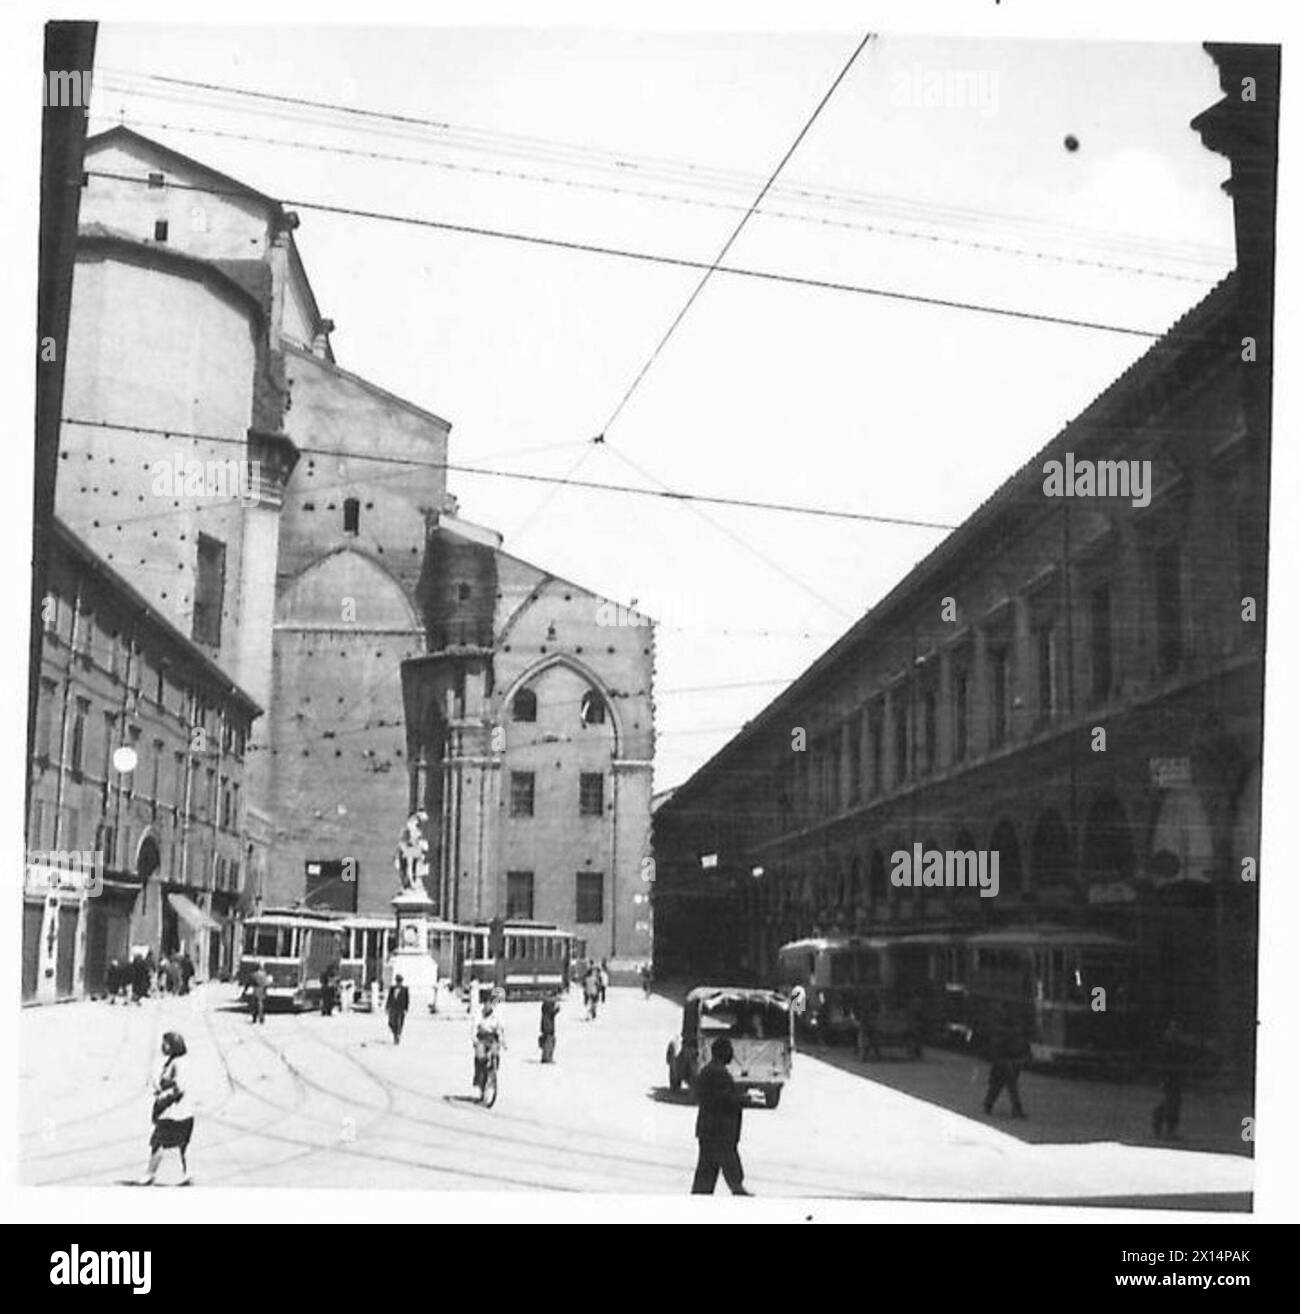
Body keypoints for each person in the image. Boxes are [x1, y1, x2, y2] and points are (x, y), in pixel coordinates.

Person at [690, 1037, 751, 1196]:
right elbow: (722, 1099)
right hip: (719, 1131)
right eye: (729, 1050)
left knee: (707, 1170)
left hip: (710, 1130)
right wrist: (741, 1099)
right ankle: (738, 1191)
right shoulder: (717, 1073)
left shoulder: (709, 1071)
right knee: (726, 1165)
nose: (732, 1054)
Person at [140, 1031, 194, 1186]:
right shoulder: (176, 1061)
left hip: (174, 1113)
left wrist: (161, 1096)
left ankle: (149, 1175)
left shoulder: (177, 1063)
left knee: (158, 1142)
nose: (162, 1046)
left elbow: (179, 1087)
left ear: (173, 1046)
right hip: (185, 1112)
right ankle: (188, 1174)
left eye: (166, 1043)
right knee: (184, 1144)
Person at [982, 1013, 1030, 1118]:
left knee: (998, 1088)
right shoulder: (1008, 1037)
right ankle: (1015, 1109)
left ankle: (989, 1105)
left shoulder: (1005, 1036)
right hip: (1005, 1065)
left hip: (1005, 1065)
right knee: (1005, 1088)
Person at [1152, 1019, 1193, 1140]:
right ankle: (1163, 1123)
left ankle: (1168, 1127)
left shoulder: (1178, 1046)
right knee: (1172, 1102)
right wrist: (1161, 1078)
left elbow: (1183, 1061)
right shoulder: (1166, 1047)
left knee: (1175, 1102)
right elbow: (1162, 1063)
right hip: (1169, 1077)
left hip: (1176, 1076)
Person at [473, 999, 506, 1092]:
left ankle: (493, 1074)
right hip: (482, 1038)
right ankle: (480, 1078)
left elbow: (501, 1028)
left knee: (495, 1053)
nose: (488, 1006)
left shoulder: (496, 1015)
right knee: (480, 1057)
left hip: (492, 1038)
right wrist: (474, 1040)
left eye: (490, 1004)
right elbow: (474, 1028)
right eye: (486, 1004)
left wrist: (502, 1041)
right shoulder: (479, 1014)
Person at [386, 974, 411, 1045]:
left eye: (400, 981)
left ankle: (397, 1036)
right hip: (392, 1008)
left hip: (400, 1009)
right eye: (397, 981)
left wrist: (406, 1008)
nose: (398, 982)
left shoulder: (405, 989)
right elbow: (389, 998)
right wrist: (387, 1006)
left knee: (399, 1023)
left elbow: (407, 999)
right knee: (391, 1023)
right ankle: (395, 1033)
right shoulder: (392, 988)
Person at [539, 990, 560, 1063]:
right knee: (549, 1042)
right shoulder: (548, 1004)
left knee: (547, 1041)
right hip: (548, 1026)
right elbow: (551, 1012)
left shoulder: (546, 1004)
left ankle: (545, 1057)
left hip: (546, 1026)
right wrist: (557, 1010)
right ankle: (547, 1057)